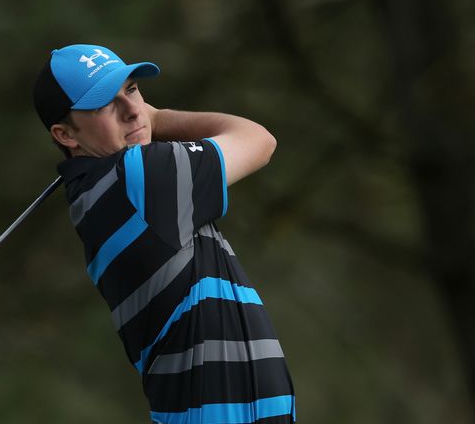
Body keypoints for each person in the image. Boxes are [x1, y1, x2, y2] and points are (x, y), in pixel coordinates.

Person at [33, 44, 295, 424]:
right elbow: (259, 140)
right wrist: (159, 116)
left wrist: (140, 122)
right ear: (65, 134)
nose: (131, 109)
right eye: (106, 102)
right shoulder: (135, 177)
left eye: (132, 89)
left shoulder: (104, 190)